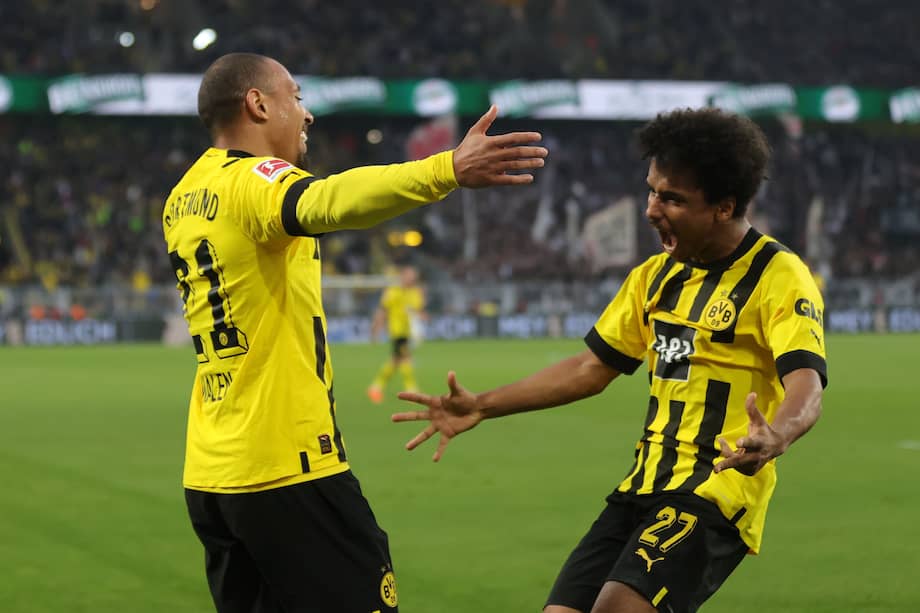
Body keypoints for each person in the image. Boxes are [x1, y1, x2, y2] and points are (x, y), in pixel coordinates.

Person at [393, 108, 827, 613]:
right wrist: (484, 405)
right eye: (652, 190)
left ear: (723, 208)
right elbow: (590, 368)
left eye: (672, 199)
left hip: (714, 491)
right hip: (641, 486)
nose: (651, 209)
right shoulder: (654, 277)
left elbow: (805, 381)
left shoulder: (779, 275)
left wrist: (778, 433)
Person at [163, 52, 547, 613]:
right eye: (296, 97)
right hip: (284, 466)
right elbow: (323, 200)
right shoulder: (252, 180)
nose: (307, 113)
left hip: (211, 471)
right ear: (258, 103)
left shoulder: (182, 197)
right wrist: (446, 170)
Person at [367, 265, 426, 403]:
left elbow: (418, 311)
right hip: (397, 331)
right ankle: (411, 389)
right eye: (409, 276)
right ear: (402, 276)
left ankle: (376, 387)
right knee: (405, 358)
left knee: (395, 361)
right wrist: (376, 329)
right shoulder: (393, 292)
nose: (412, 279)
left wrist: (420, 324)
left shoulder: (415, 292)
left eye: (413, 276)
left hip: (407, 332)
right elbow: (382, 311)